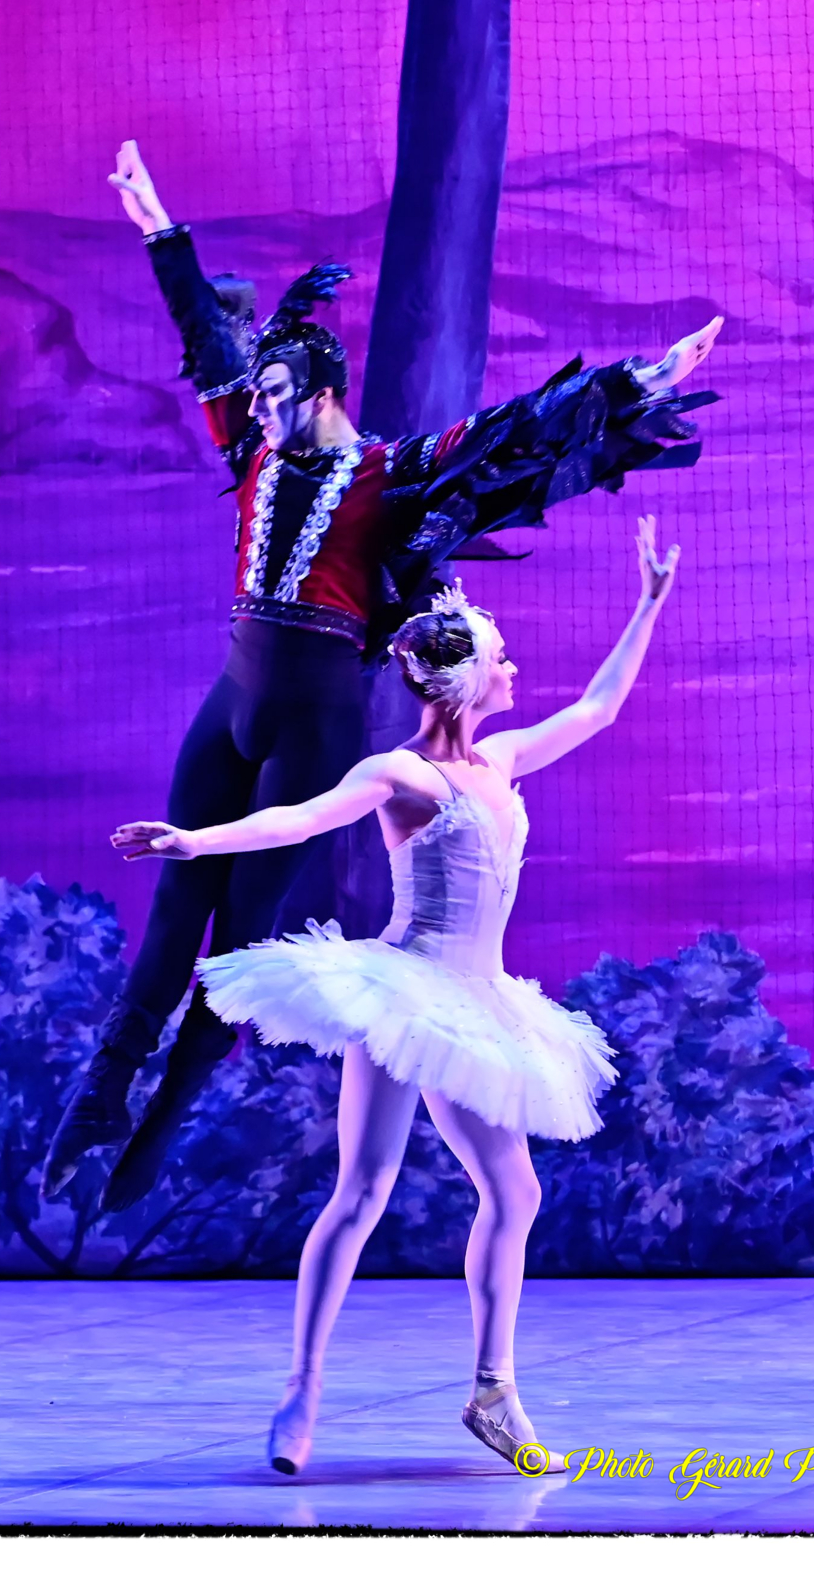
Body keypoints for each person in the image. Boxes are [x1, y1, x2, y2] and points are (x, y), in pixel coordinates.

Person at [44, 139, 719, 1211]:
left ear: (319, 391)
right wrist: (158, 228)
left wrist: (639, 382)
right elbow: (203, 339)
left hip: (312, 720)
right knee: (175, 902)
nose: (257, 407)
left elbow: (513, 431)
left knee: (241, 932)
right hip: (232, 702)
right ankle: (101, 1094)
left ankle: (165, 1116)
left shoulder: (384, 472)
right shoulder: (252, 450)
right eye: (256, 394)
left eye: (275, 394)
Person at [110, 521, 682, 1476]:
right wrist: (195, 841)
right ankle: (301, 1389)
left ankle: (493, 1391)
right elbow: (298, 817)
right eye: (501, 659)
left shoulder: (500, 761)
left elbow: (598, 708)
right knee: (363, 1187)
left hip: (480, 1002)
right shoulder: (400, 775)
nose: (513, 670)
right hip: (406, 990)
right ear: (464, 680)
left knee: (515, 1189)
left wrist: (649, 603)